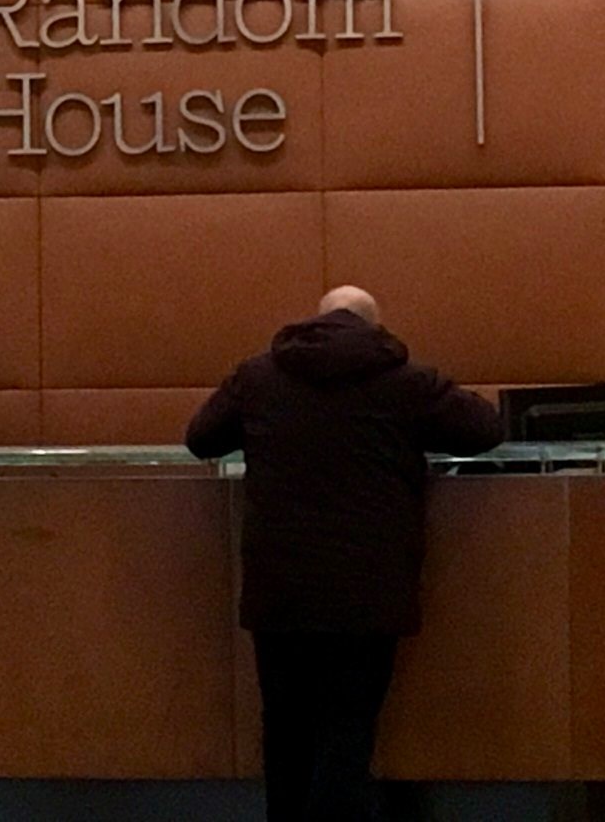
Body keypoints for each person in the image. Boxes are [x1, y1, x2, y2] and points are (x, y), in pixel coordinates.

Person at [185, 286, 503, 822]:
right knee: (347, 734)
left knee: (285, 733)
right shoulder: (406, 382)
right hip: (368, 591)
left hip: (280, 589)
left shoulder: (258, 377)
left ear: (317, 320)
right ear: (373, 327)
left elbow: (201, 439)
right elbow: (486, 429)